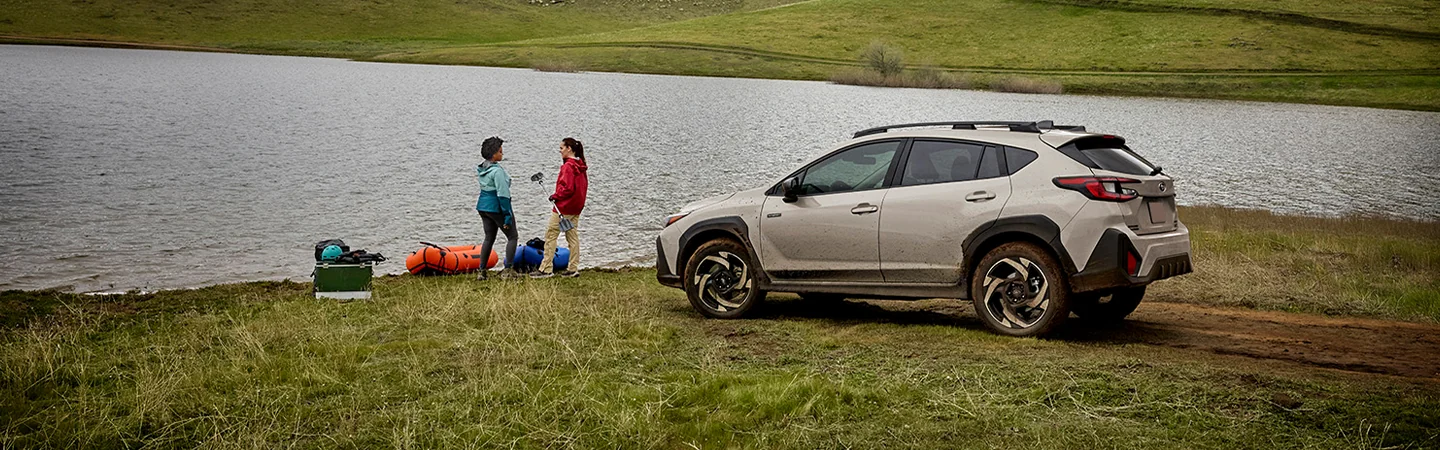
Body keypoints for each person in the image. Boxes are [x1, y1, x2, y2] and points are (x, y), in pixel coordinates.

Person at [531, 137, 588, 278]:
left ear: (569, 149)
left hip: (564, 208)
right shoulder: (580, 165)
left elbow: (568, 188)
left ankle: (546, 269)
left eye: (562, 148)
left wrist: (555, 196)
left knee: (550, 235)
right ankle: (573, 268)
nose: (560, 151)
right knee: (572, 237)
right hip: (576, 207)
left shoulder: (568, 166)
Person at [475, 136, 519, 280]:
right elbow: (503, 194)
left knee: (489, 238)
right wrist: (507, 215)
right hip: (496, 207)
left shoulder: (482, 168)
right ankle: (508, 270)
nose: (502, 153)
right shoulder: (497, 172)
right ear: (494, 154)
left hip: (483, 206)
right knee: (512, 236)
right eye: (500, 151)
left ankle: (481, 271)